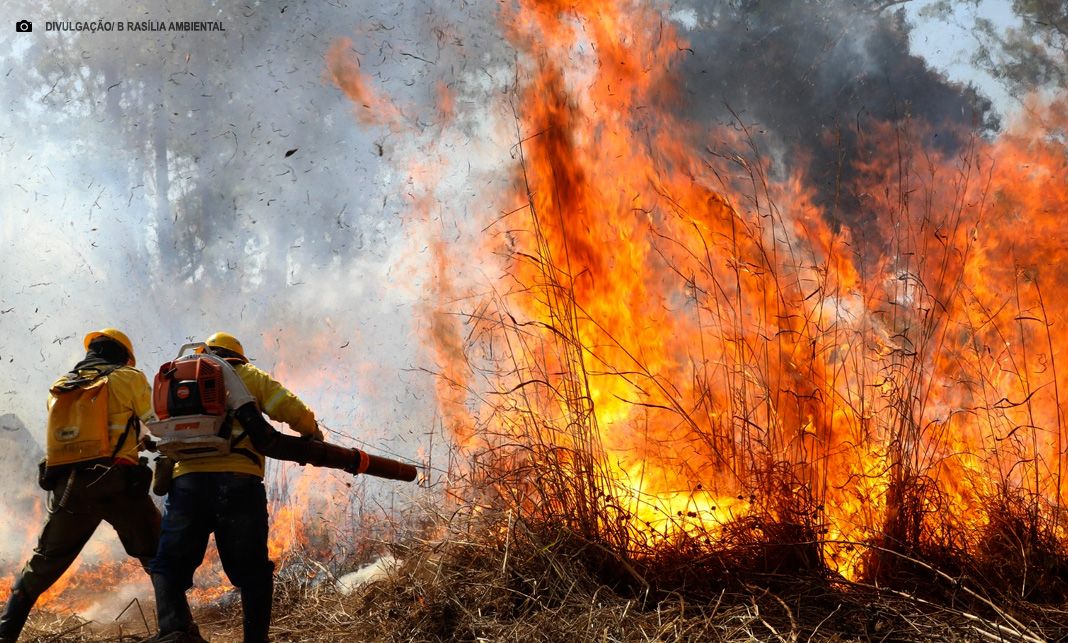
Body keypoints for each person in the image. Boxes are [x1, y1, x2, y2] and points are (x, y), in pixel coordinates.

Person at [149, 332, 323, 643]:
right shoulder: (248, 375)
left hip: (187, 484)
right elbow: (293, 410)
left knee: (168, 565)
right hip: (239, 482)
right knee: (252, 572)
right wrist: (312, 433)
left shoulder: (178, 377)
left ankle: (174, 631)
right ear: (238, 356)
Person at [0, 328, 160, 642]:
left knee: (41, 566)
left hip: (71, 489)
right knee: (157, 556)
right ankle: (177, 627)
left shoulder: (61, 387)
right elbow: (156, 421)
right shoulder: (128, 377)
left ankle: (5, 634)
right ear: (123, 356)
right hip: (119, 484)